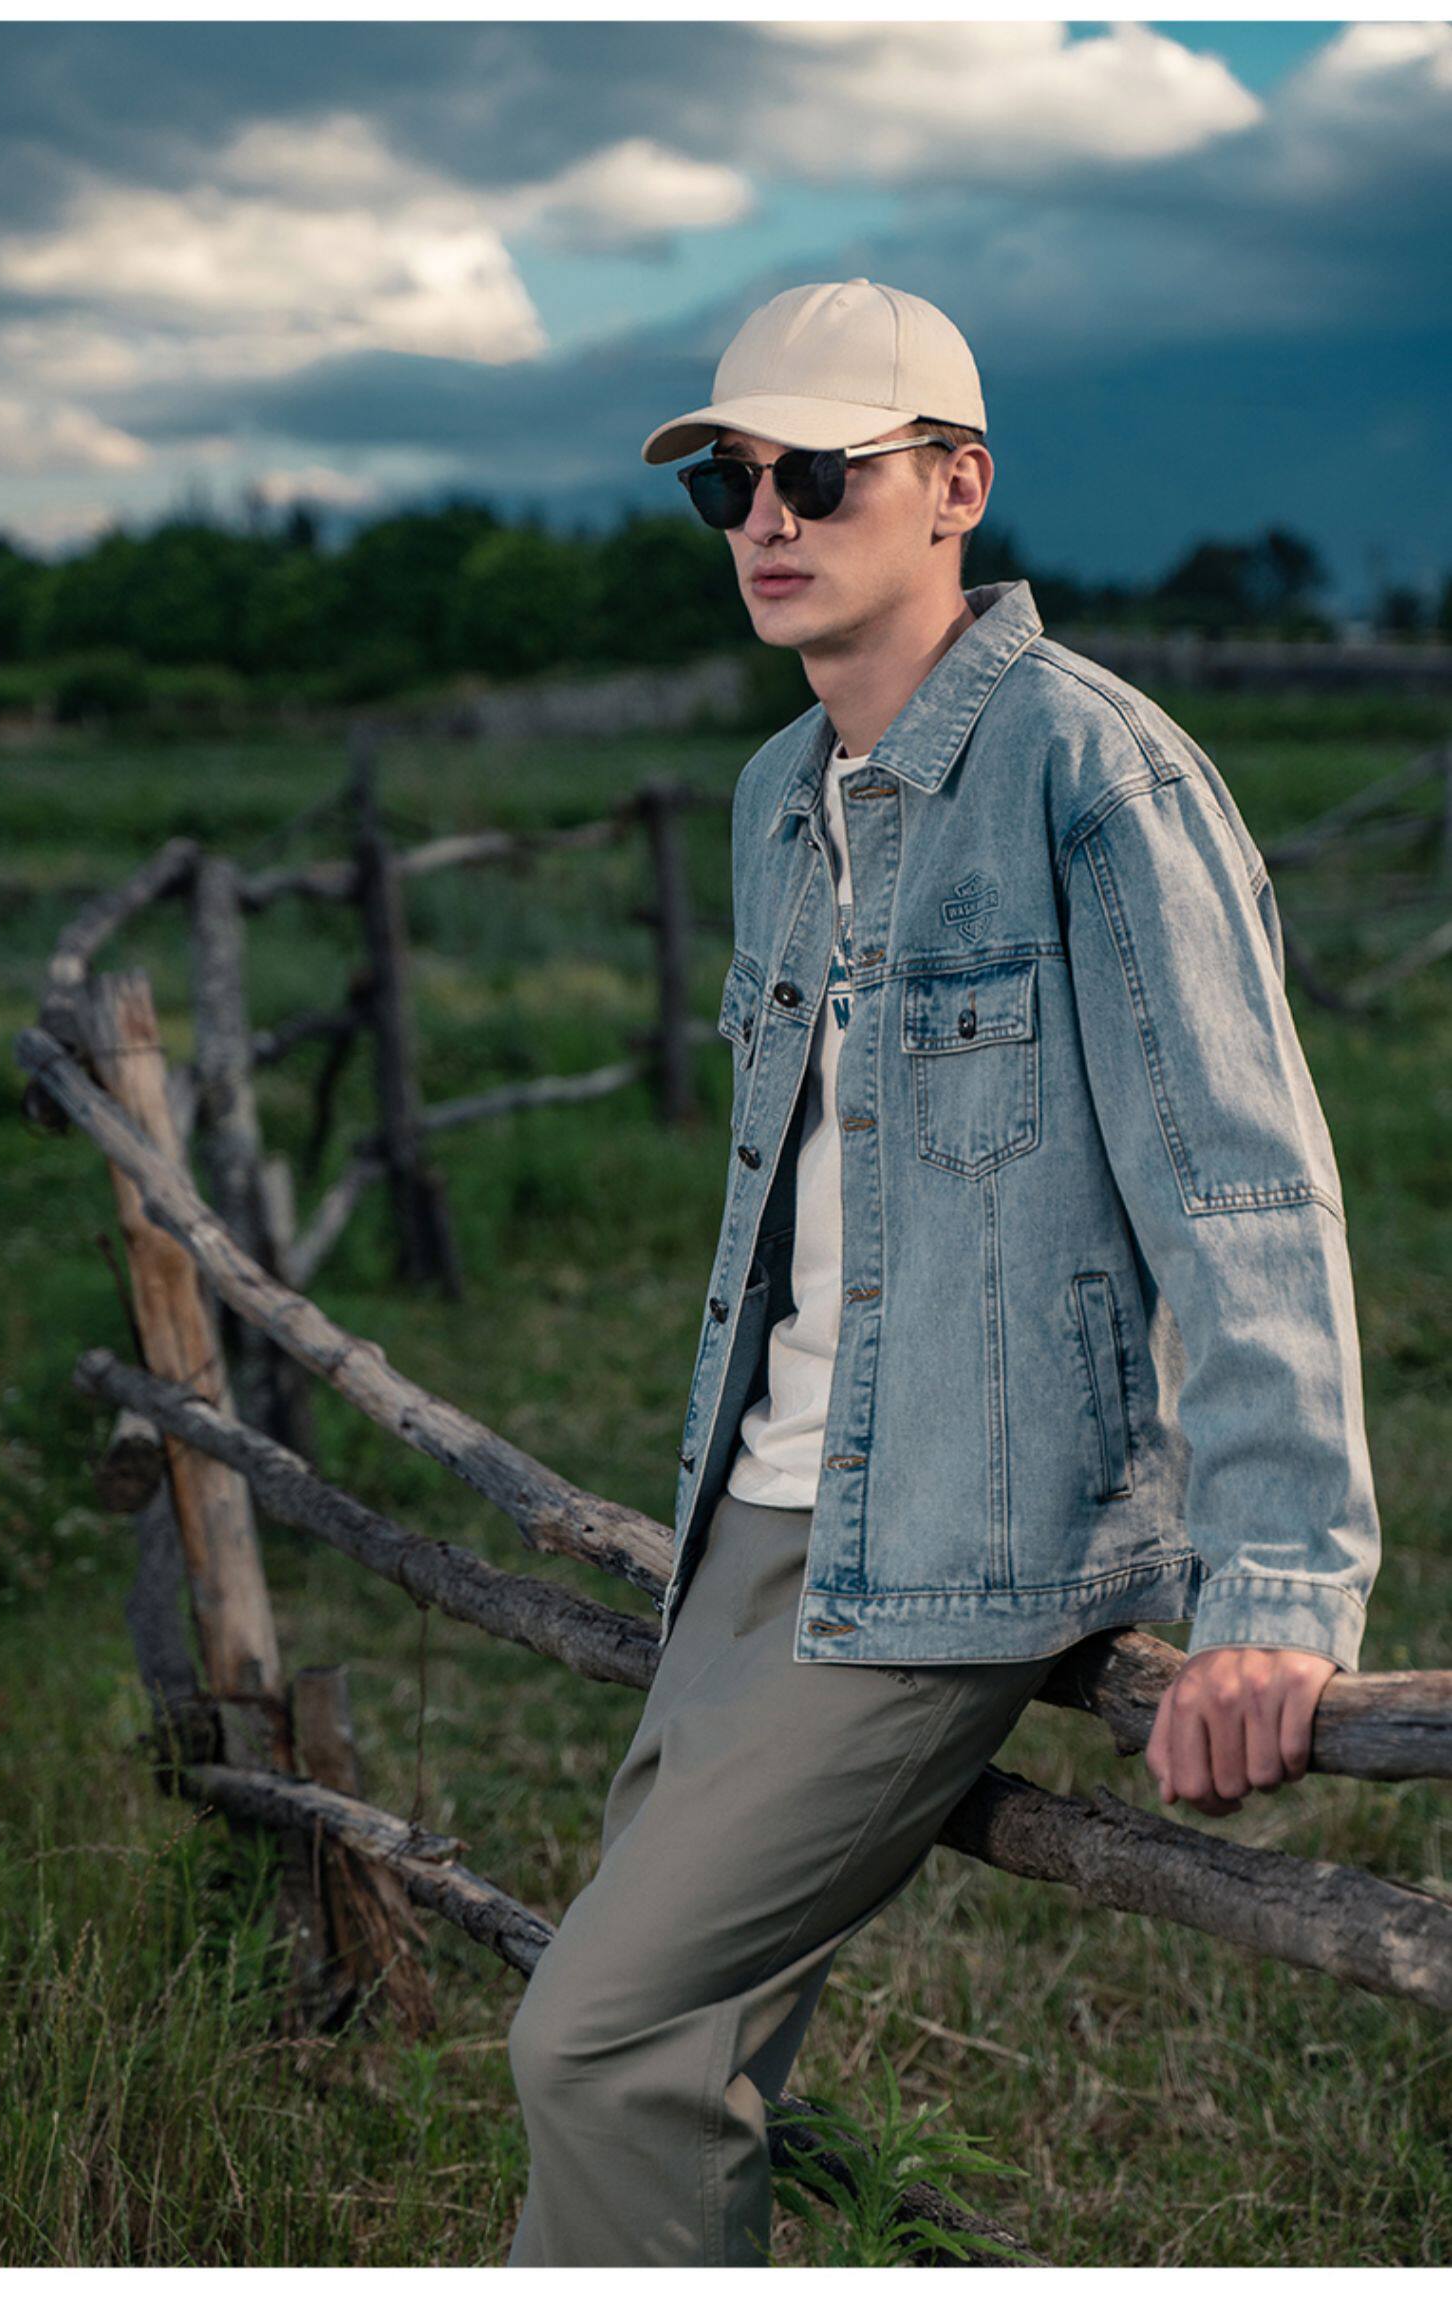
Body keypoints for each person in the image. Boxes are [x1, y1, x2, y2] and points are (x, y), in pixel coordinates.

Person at [504, 278, 1381, 2266]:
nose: (765, 519)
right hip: (755, 1514)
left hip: (963, 1528)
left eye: (818, 473)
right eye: (729, 484)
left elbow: (1244, 1191)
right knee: (652, 2042)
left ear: (957, 487)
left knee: (600, 2045)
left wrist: (1276, 1590)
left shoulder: (1098, 772)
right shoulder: (777, 798)